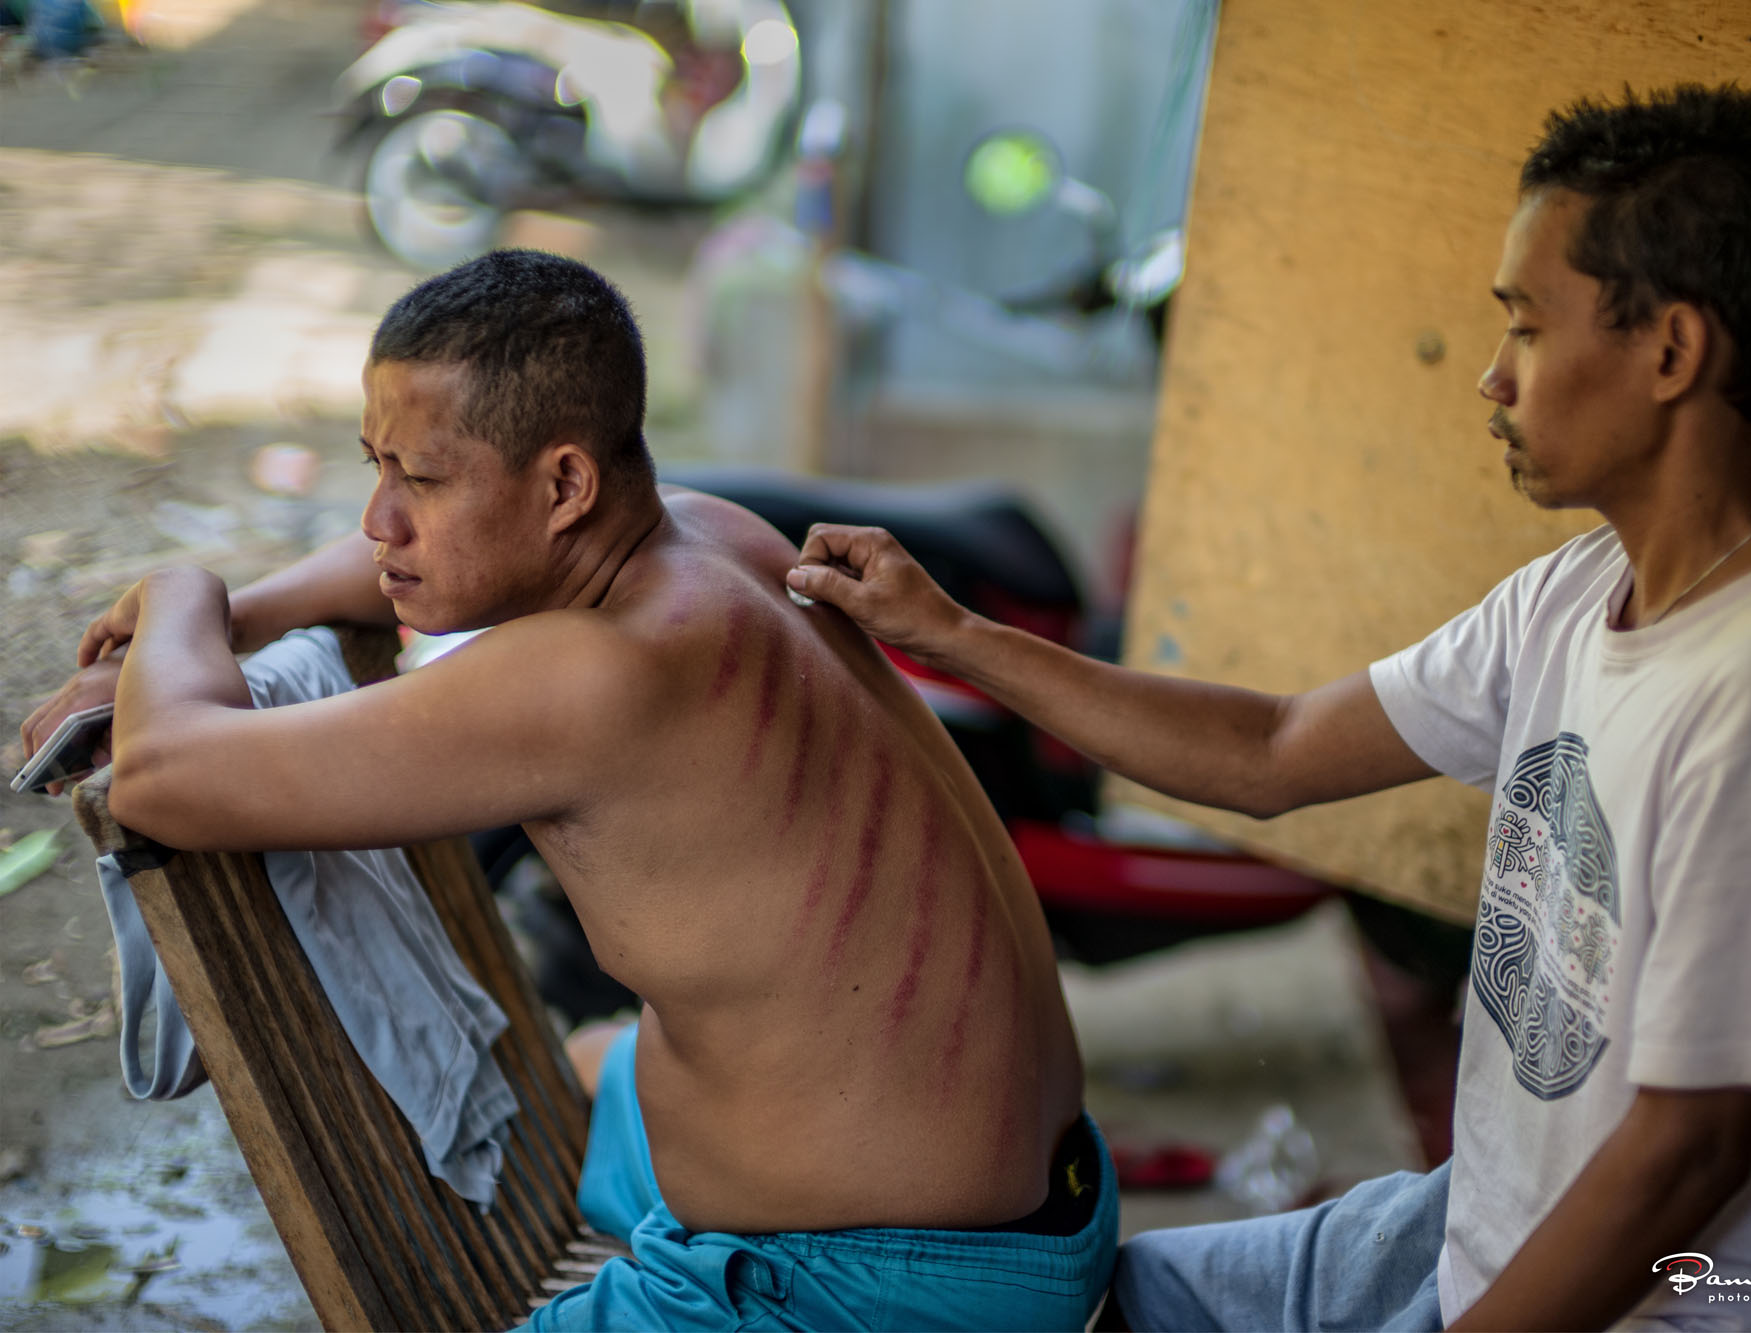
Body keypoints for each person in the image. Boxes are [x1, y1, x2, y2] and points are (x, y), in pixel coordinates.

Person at [785, 84, 1751, 1331]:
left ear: (1669, 351)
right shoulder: (1577, 592)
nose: (1492, 377)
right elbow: (1272, 748)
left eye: (1526, 327)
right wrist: (953, 636)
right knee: (1086, 1302)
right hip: (1469, 1231)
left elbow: (1686, 1154)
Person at [20, 249, 1117, 1332]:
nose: (379, 521)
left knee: (584, 1076)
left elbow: (163, 777)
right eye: (376, 467)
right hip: (1041, 1195)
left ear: (563, 486)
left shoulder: (595, 674)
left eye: (421, 479)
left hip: (874, 1280)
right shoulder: (713, 535)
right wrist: (245, 618)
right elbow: (397, 569)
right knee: (591, 1061)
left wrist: (181, 595)